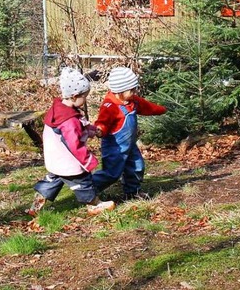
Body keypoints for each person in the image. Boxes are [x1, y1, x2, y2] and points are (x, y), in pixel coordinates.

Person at [27, 67, 115, 216]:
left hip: (55, 160)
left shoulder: (59, 110)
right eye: (84, 96)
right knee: (83, 183)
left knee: (51, 182)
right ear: (74, 96)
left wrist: (92, 130)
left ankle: (36, 206)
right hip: (68, 162)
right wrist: (87, 161)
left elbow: (77, 127)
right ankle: (94, 204)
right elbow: (74, 143)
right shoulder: (69, 120)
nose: (85, 99)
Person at [92, 67, 167, 200]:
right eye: (131, 90)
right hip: (114, 147)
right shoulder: (110, 106)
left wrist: (161, 110)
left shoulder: (133, 101)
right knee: (112, 173)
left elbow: (148, 107)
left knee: (137, 166)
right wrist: (100, 130)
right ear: (119, 91)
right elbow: (102, 121)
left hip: (130, 145)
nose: (134, 92)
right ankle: (88, 189)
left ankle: (132, 192)